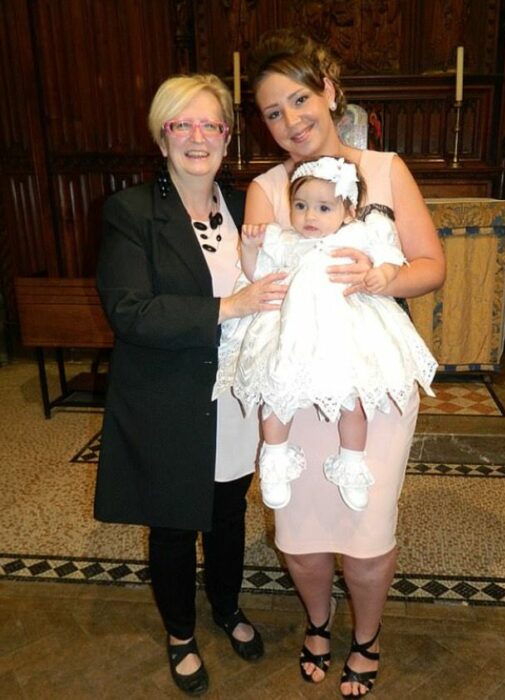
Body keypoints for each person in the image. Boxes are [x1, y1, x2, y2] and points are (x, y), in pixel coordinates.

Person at [245, 30, 446, 697]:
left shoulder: (385, 170)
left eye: (298, 100)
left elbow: (429, 266)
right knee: (299, 534)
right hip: (296, 379)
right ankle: (317, 622)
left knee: (365, 531)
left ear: (329, 92)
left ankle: (366, 635)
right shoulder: (267, 187)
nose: (290, 121)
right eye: (273, 113)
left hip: (371, 383)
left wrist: (380, 276)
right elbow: (256, 280)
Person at [94, 73, 286, 696]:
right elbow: (128, 310)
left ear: (228, 137)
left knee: (228, 513)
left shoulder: (243, 206)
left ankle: (227, 608)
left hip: (234, 398)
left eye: (211, 125)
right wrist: (229, 307)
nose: (197, 138)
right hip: (167, 397)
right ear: (162, 136)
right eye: (183, 124)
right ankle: (181, 632)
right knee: (175, 523)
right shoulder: (131, 210)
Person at [213, 156, 437, 514]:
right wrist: (252, 249)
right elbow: (258, 275)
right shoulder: (286, 240)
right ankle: (275, 459)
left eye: (323, 207)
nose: (309, 217)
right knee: (276, 393)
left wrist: (385, 274)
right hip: (292, 334)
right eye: (300, 206)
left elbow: (391, 256)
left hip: (343, 335)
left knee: (353, 402)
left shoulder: (361, 233)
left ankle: (351, 462)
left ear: (348, 211)